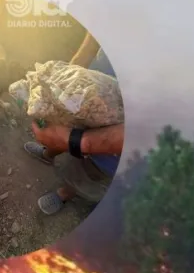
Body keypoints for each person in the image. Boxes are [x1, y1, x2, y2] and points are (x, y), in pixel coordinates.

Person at [24, 32, 124, 215]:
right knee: (60, 127)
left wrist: (79, 141)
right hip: (83, 93)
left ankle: (65, 193)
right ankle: (47, 154)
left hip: (119, 135)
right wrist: (67, 76)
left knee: (91, 171)